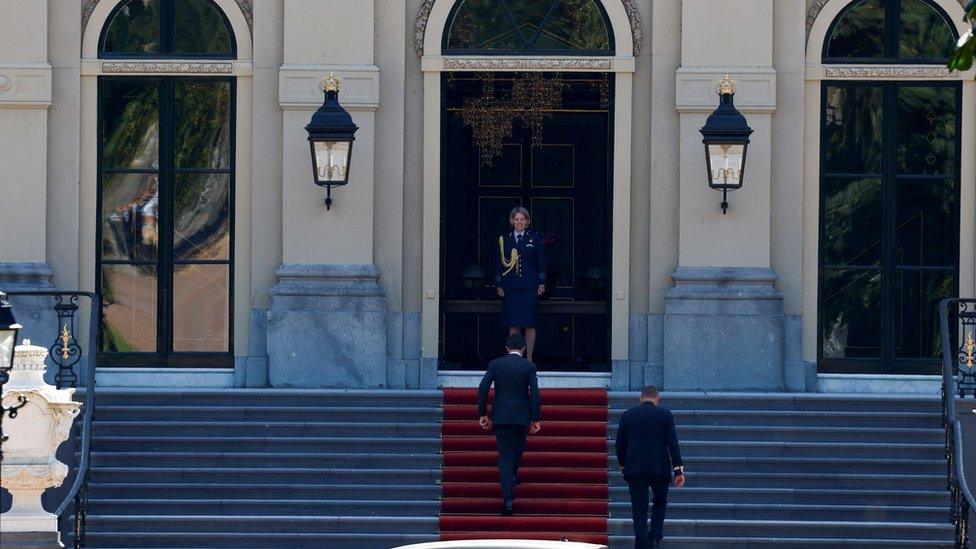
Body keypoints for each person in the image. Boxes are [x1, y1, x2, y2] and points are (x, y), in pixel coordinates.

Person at [477, 332, 542, 516]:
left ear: (507, 348)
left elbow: (483, 388)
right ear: (523, 348)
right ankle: (512, 476)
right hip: (521, 417)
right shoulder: (529, 366)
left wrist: (482, 413)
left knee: (505, 455)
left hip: (501, 416)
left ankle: (508, 500)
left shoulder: (496, 364)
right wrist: (536, 418)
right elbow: (535, 393)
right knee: (518, 449)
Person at [615, 385, 685, 549]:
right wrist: (678, 469)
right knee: (660, 502)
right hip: (659, 468)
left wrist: (623, 464)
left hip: (636, 468)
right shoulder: (665, 415)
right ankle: (655, 537)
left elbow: (620, 444)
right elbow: (672, 443)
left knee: (639, 510)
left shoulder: (628, 415)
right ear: (657, 399)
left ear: (640, 398)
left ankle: (641, 544)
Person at [494, 206, 546, 362]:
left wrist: (541, 283)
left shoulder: (535, 238)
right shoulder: (505, 239)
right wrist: (498, 284)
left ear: (527, 221)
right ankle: (515, 359)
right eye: (516, 219)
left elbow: (541, 262)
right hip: (511, 287)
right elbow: (498, 263)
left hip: (529, 287)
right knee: (513, 324)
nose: (519, 222)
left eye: (522, 219)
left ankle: (529, 359)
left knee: (529, 324)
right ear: (512, 221)